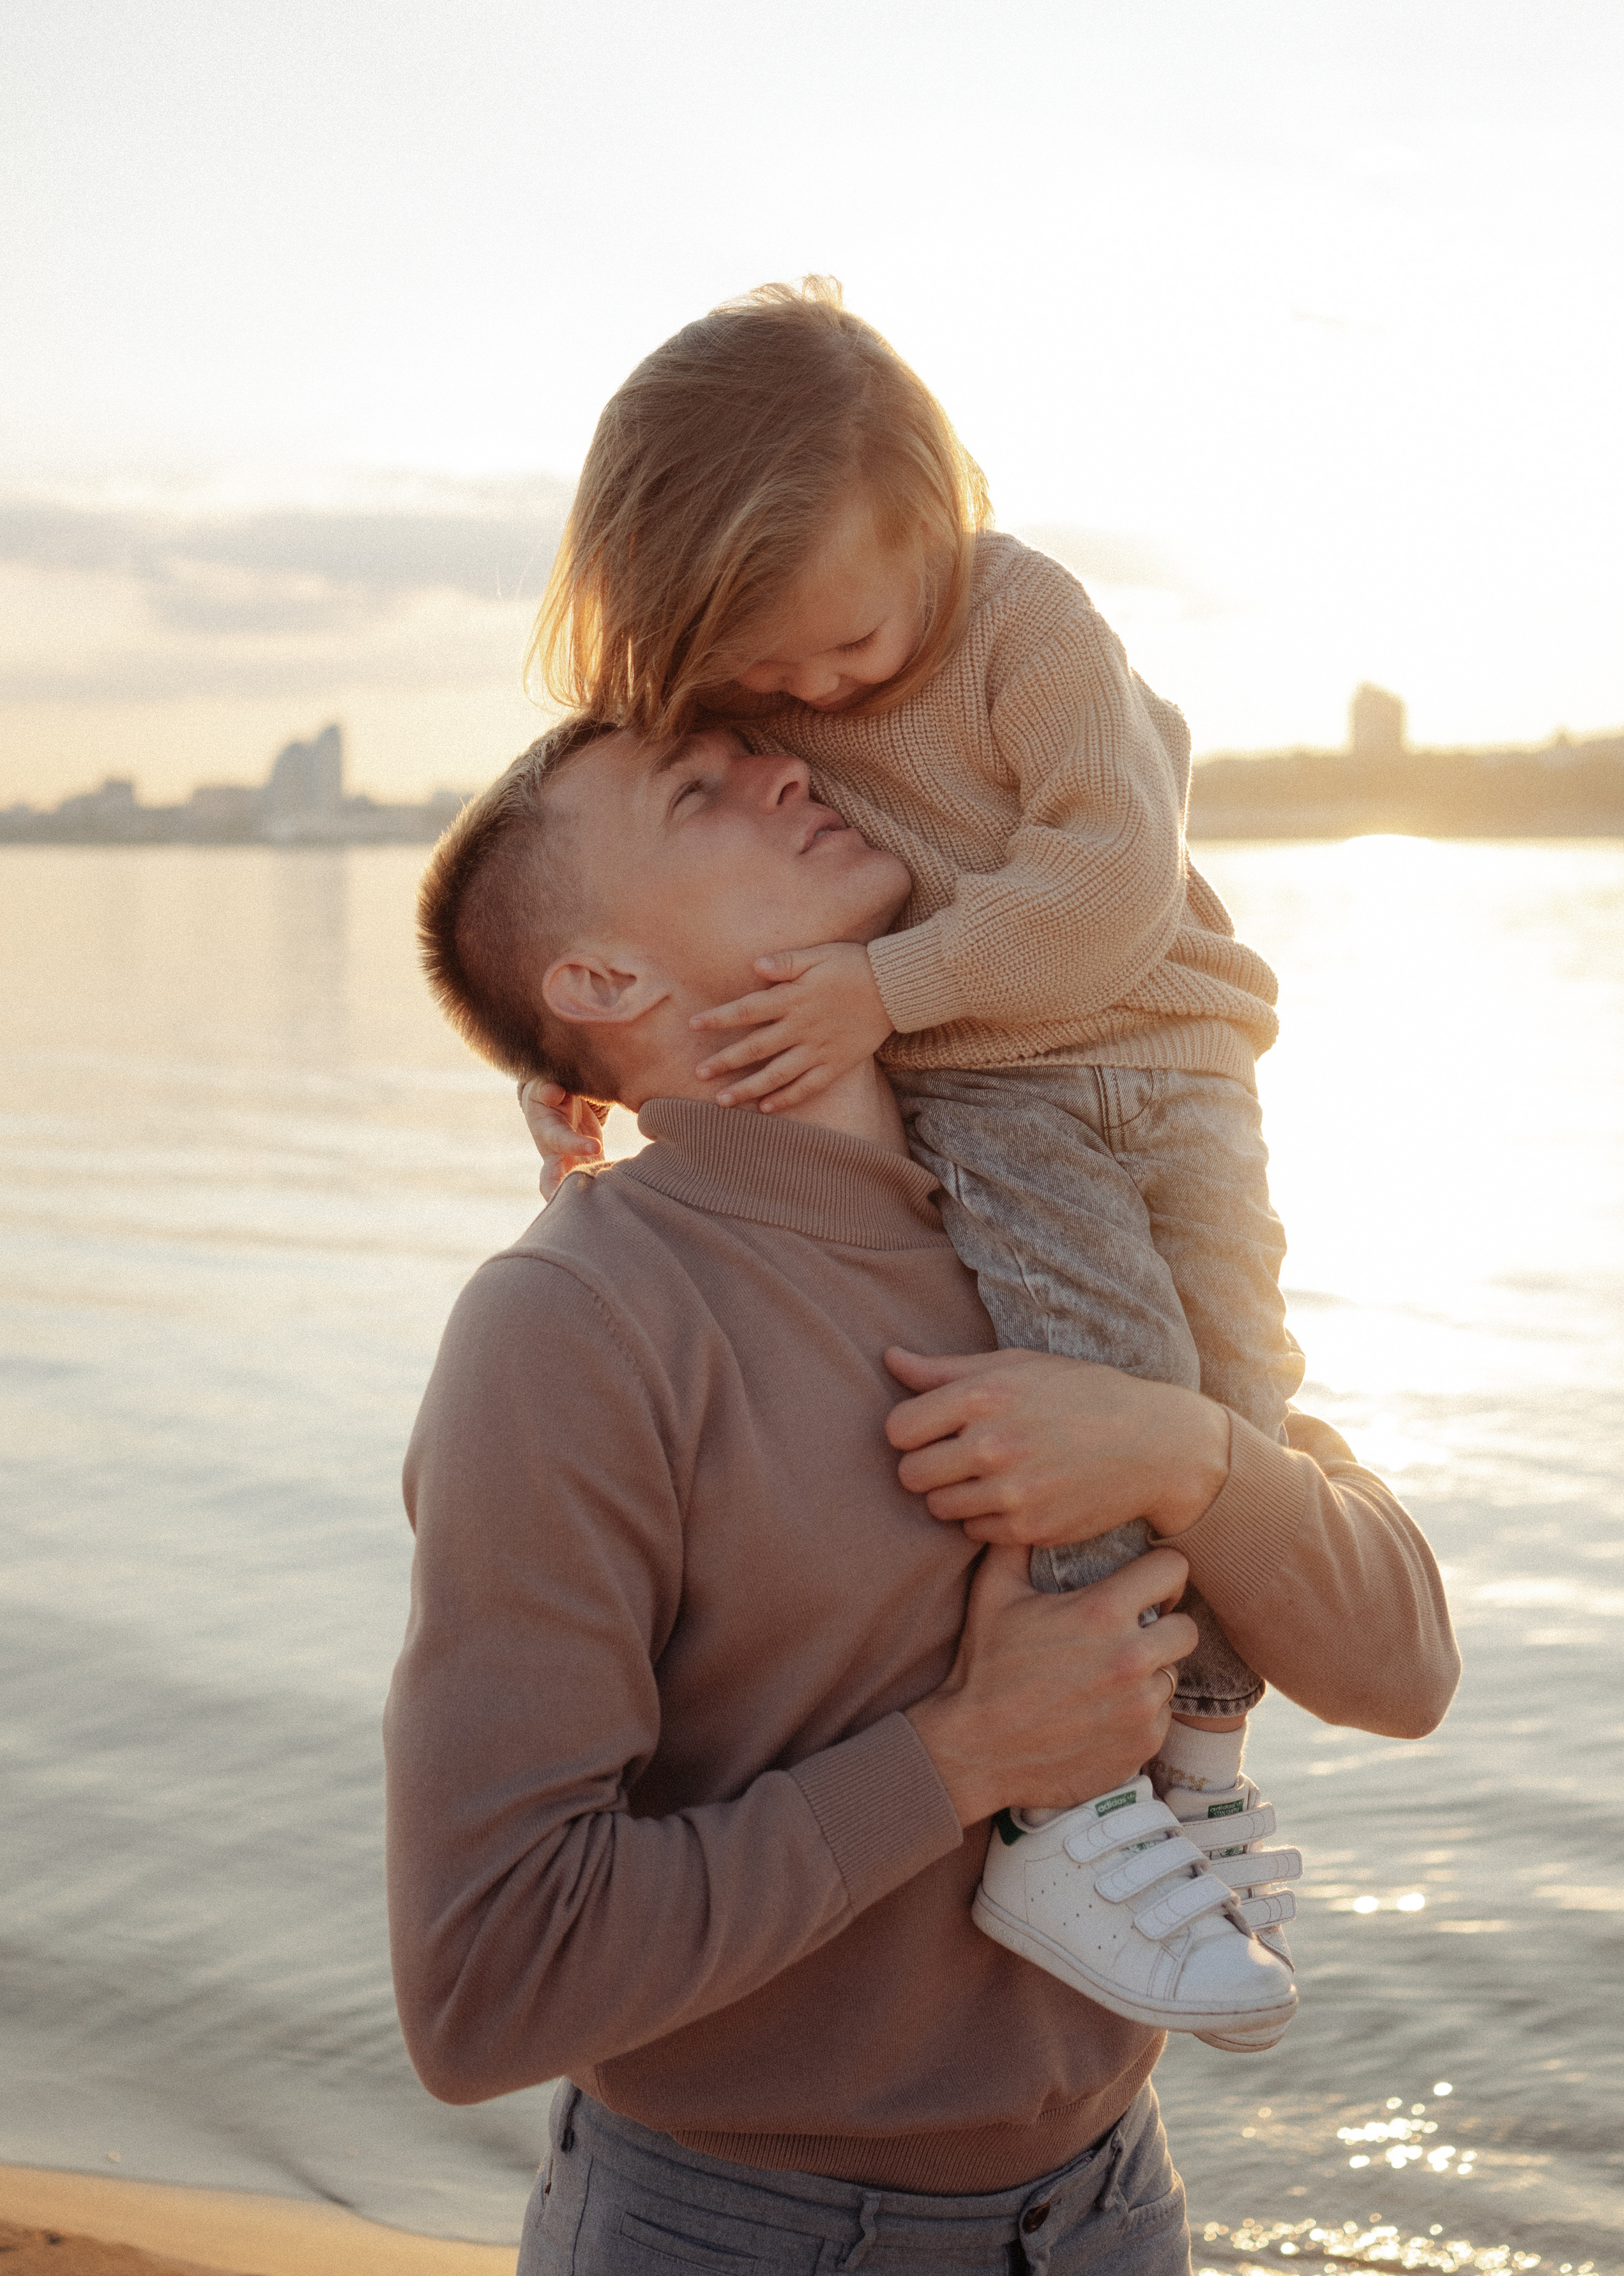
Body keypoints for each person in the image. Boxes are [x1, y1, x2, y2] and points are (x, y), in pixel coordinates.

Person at [385, 714, 1458, 2276]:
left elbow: (1404, 1670)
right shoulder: (574, 1328)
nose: (791, 777)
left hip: (1110, 2241)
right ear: (599, 980)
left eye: (771, 755)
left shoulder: (1070, 1212)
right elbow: (488, 1982)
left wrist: (1182, 1448)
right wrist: (968, 1756)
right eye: (702, 793)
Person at [520, 279, 1310, 2040]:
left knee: (1240, 1404)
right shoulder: (757, 667)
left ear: (937, 516)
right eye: (762, 673)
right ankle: (1072, 1808)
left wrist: (884, 983)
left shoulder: (1029, 619)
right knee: (1102, 1387)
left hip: (1174, 1058)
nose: (803, 698)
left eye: (847, 658)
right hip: (1003, 1094)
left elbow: (1110, 885)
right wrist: (553, 1049)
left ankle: (1199, 1756)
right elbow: (572, 856)